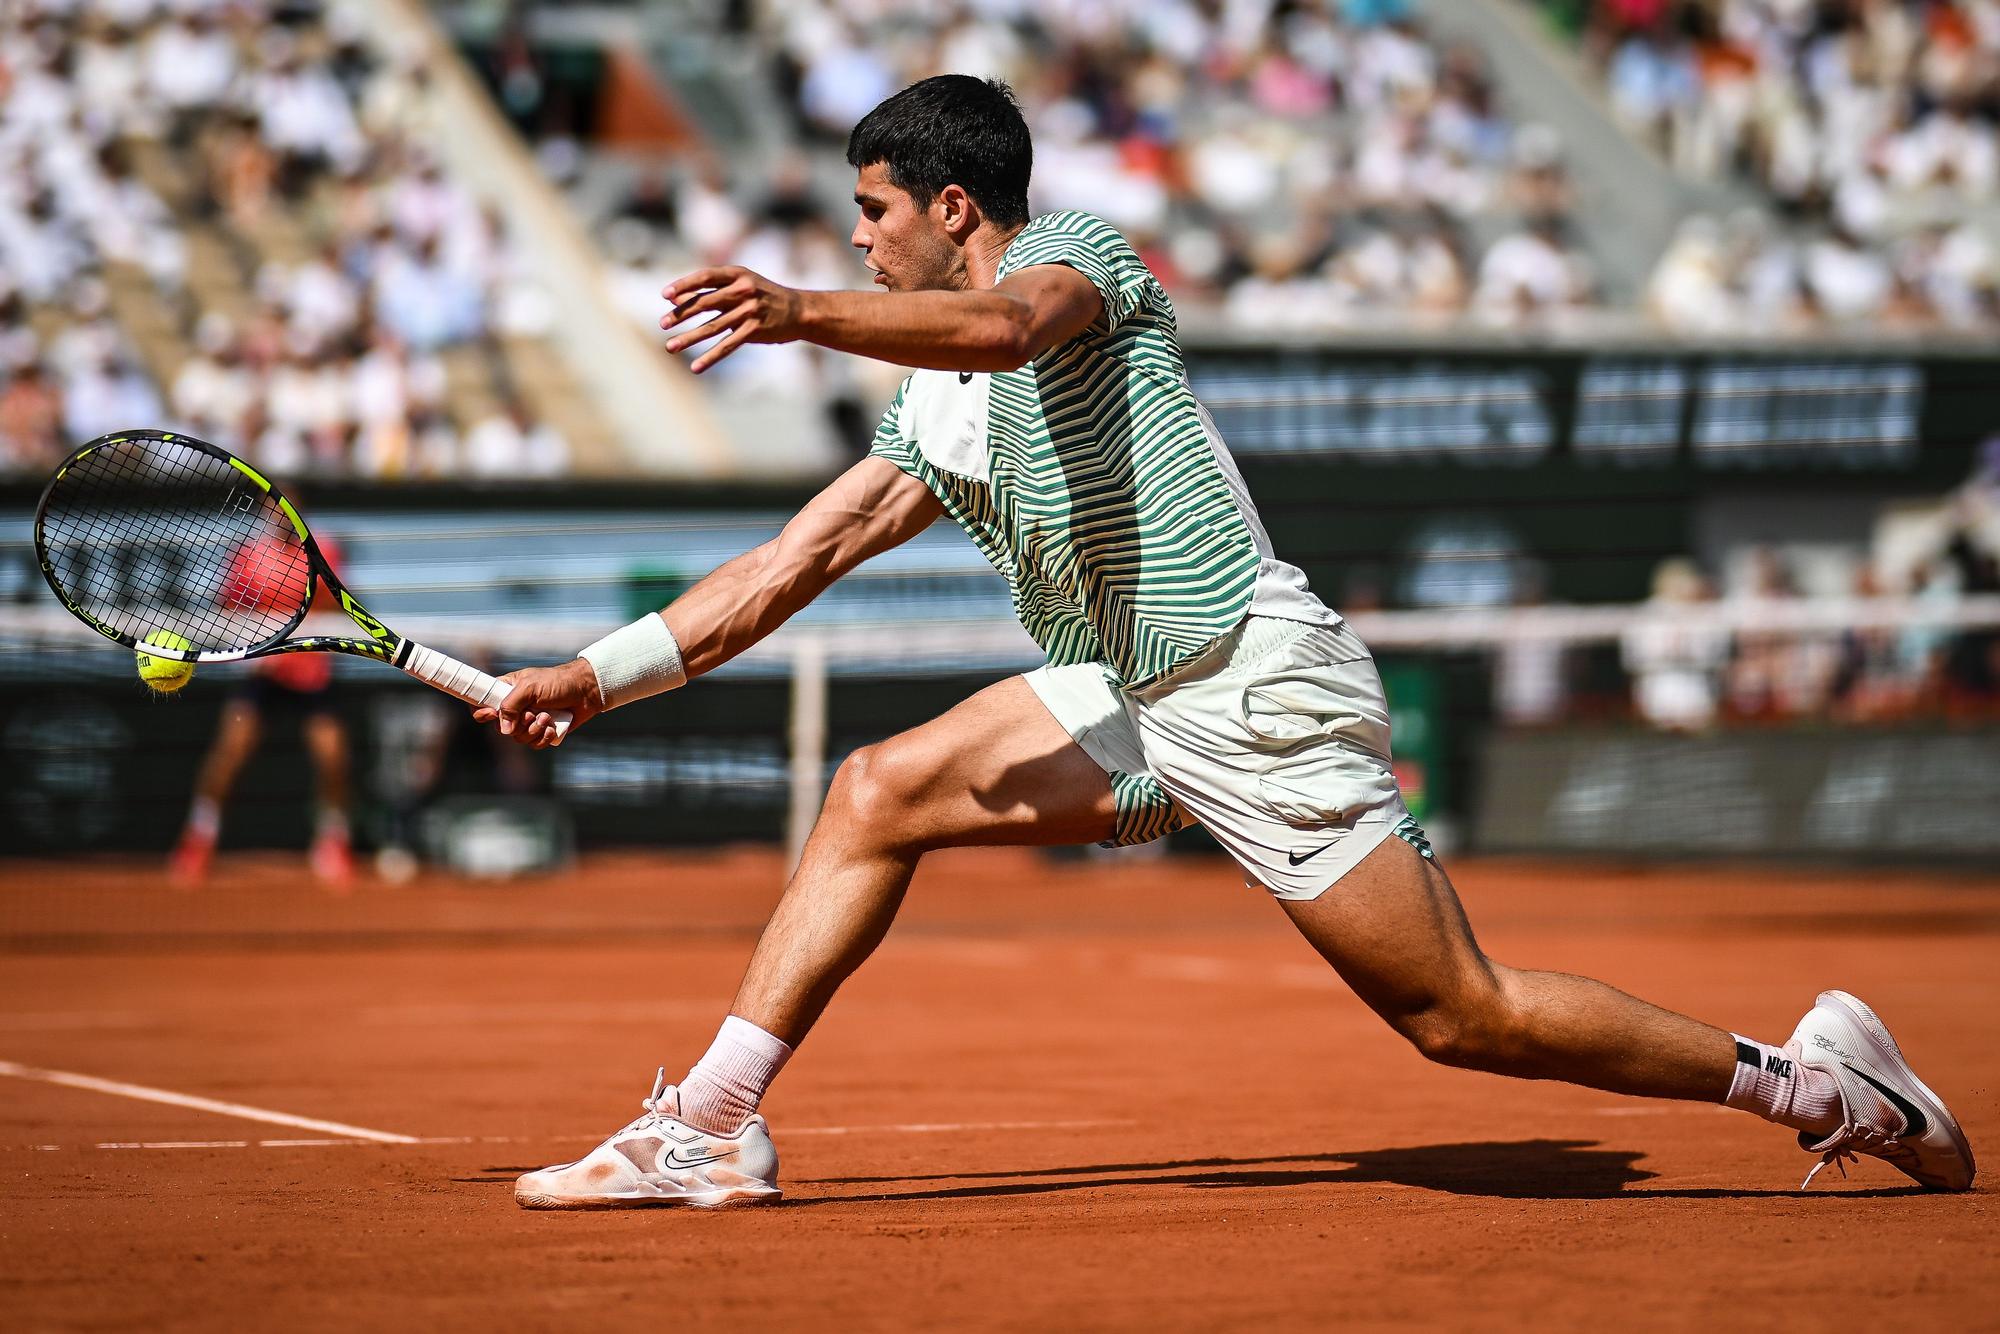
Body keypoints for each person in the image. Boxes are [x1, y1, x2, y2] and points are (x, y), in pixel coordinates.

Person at [478, 77, 1974, 1208]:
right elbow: (787, 563)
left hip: (1253, 681)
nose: (855, 237)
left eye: (871, 209)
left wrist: (802, 313)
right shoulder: (926, 405)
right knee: (875, 789)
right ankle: (715, 1124)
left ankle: (1816, 1087)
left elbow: (1013, 329)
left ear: (952, 208)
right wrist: (594, 677)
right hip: (1135, 688)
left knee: (1463, 1018)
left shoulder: (1071, 256)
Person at [171, 512, 354, 888]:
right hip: (263, 672)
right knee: (229, 753)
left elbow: (334, 606)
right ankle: (200, 836)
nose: (284, 516)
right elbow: (229, 610)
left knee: (333, 756)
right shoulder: (248, 556)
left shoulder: (324, 552)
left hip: (312, 671)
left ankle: (332, 841)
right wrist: (256, 647)